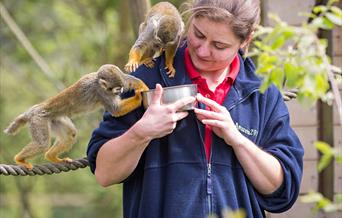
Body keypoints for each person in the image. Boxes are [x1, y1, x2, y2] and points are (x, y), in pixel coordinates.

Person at [87, 0, 304, 217]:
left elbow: (282, 191)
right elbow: (104, 173)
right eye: (198, 34)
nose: (202, 50)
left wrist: (238, 140)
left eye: (218, 46)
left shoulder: (262, 92)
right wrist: (142, 132)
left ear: (245, 40)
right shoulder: (145, 79)